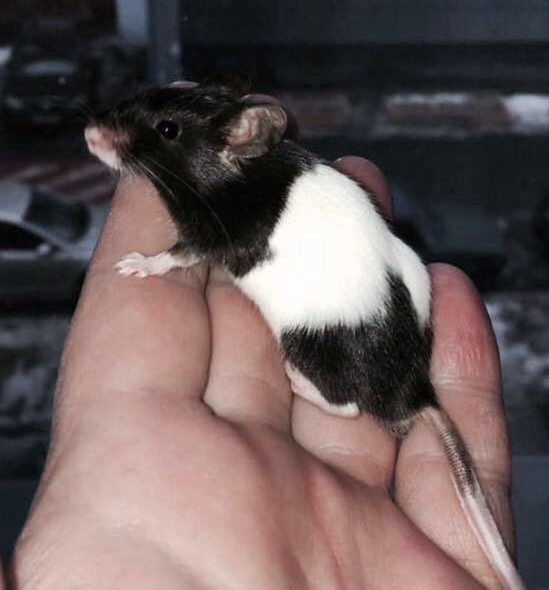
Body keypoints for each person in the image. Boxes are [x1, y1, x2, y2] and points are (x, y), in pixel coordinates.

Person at [5, 156, 515, 589]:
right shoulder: (270, 190)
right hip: (382, 314)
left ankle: (340, 396)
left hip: (354, 329)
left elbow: (224, 243)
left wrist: (161, 261)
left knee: (309, 328)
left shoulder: (248, 203)